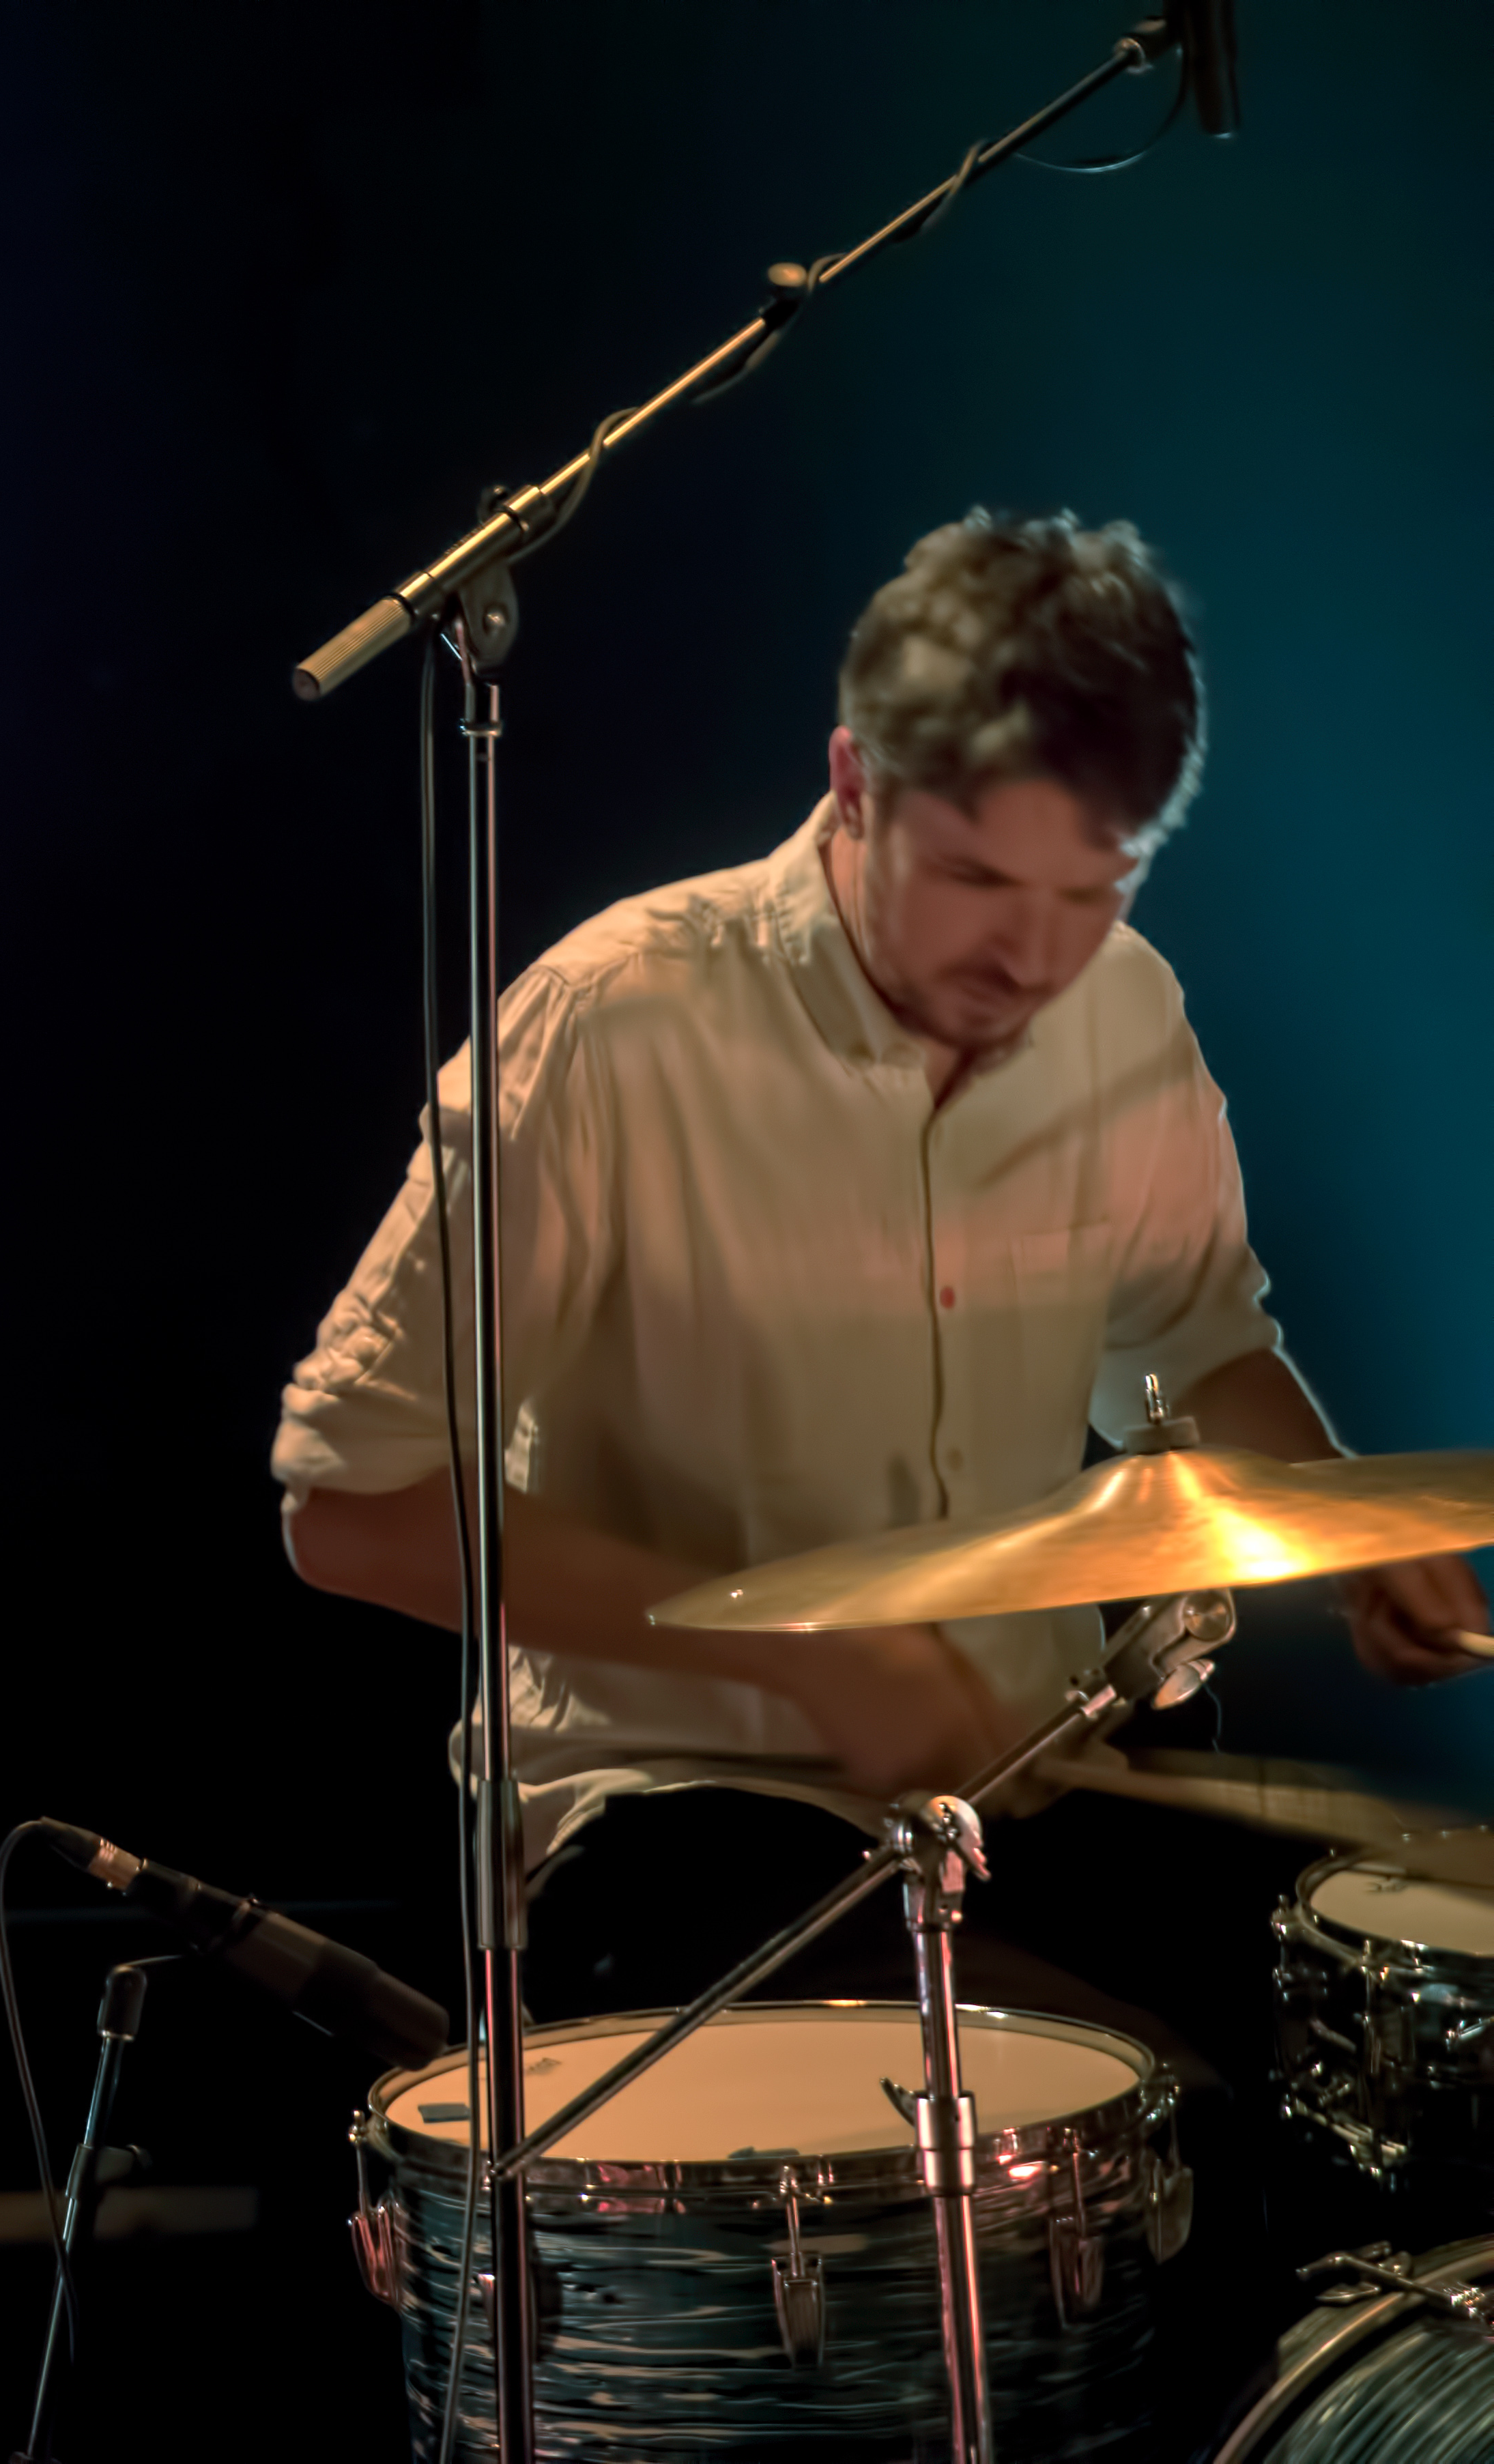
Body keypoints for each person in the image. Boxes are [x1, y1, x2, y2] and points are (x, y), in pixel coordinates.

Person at [272, 508, 1487, 2056]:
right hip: (681, 1817)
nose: (1031, 958)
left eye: (1089, 890)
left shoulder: (1123, 1010)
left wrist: (1355, 1532)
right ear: (852, 781)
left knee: (1386, 2041)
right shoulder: (608, 1026)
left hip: (1028, 1783)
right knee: (1123, 2088)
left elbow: (1190, 1338)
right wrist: (804, 1650)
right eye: (976, 877)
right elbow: (346, 1502)